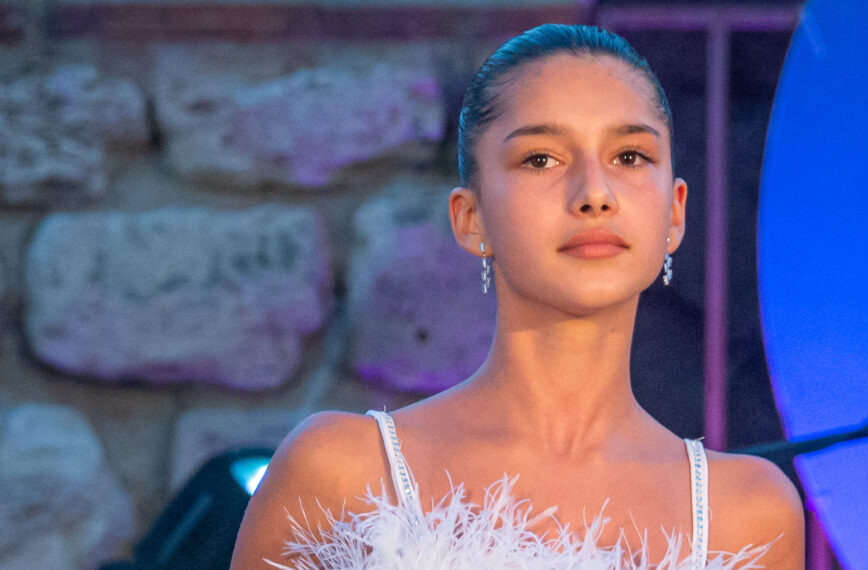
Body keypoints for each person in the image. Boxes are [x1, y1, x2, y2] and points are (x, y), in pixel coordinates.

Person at [231, 24, 804, 569]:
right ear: (471, 218)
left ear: (674, 213)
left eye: (629, 157)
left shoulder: (747, 516)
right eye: (541, 159)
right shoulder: (342, 473)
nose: (595, 193)